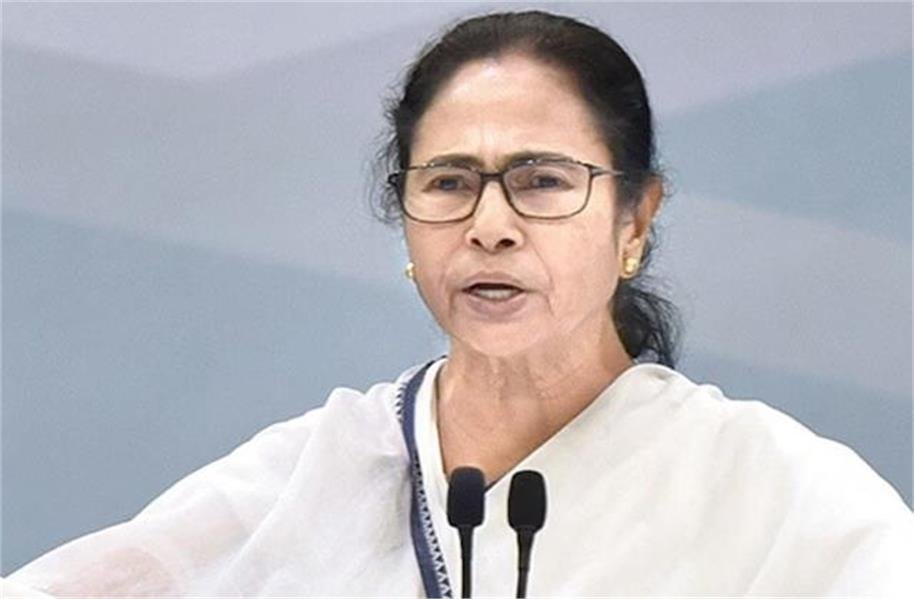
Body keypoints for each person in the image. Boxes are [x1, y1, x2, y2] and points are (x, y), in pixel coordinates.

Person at [4, 9, 913, 598]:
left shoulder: (771, 489)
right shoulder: (315, 476)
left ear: (636, 217)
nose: (490, 226)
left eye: (542, 180)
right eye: (448, 183)